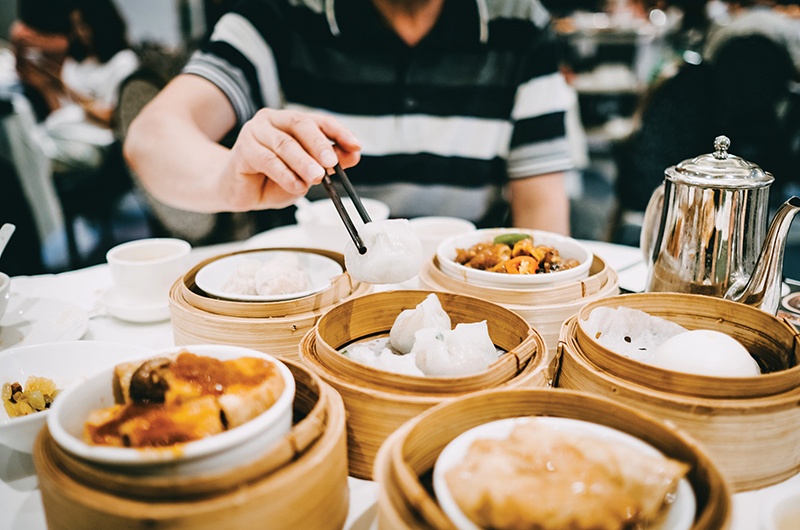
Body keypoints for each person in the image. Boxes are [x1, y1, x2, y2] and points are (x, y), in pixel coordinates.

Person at [125, 0, 576, 234]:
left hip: (468, 298)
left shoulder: (519, 23)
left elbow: (540, 207)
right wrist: (227, 177)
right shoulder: (281, 15)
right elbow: (151, 135)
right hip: (312, 300)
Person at [17, 0, 139, 173]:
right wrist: (46, 87)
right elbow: (60, 109)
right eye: (75, 26)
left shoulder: (123, 62)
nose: (79, 33)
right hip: (60, 131)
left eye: (84, 25)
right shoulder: (76, 62)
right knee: (17, 150)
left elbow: (111, 118)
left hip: (94, 141)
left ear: (100, 23)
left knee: (28, 160)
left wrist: (72, 93)